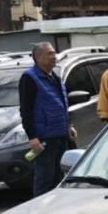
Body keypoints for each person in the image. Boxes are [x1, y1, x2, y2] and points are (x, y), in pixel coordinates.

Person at [19, 42, 77, 198]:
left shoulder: (55, 77)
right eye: (49, 54)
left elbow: (62, 103)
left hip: (60, 135)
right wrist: (32, 137)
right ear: (38, 58)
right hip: (44, 137)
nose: (54, 56)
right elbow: (26, 110)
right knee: (44, 179)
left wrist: (69, 125)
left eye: (54, 53)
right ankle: (40, 210)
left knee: (60, 177)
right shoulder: (30, 78)